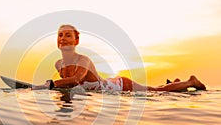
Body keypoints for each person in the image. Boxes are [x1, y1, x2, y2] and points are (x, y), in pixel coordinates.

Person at [35, 24, 206, 92]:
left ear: (76, 40)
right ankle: (175, 84)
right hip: (107, 86)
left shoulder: (83, 60)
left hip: (120, 85)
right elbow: (69, 89)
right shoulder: (59, 64)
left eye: (67, 35)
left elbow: (74, 80)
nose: (63, 39)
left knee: (156, 92)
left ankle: (191, 81)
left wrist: (49, 85)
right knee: (155, 88)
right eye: (60, 35)